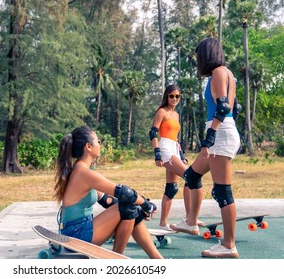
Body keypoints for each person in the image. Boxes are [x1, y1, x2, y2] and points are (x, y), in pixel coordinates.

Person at [170, 37, 241, 258]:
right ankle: (191, 222)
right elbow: (235, 108)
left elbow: (223, 107)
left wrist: (209, 139)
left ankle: (229, 245)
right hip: (223, 131)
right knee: (191, 176)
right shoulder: (228, 74)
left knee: (222, 191)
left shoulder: (219, 72)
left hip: (219, 134)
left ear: (206, 55)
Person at [55, 126, 164, 259]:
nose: (100, 145)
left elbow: (108, 200)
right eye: (98, 141)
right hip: (77, 235)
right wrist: (147, 205)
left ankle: (158, 260)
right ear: (88, 146)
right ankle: (115, 263)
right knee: (128, 207)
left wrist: (140, 210)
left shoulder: (80, 169)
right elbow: (125, 193)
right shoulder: (83, 173)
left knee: (130, 208)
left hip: (76, 231)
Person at [149, 84, 204, 231]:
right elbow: (153, 133)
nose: (174, 99)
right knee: (190, 177)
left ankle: (163, 223)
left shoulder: (176, 115)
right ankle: (189, 218)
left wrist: (181, 154)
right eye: (171, 96)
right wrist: (157, 154)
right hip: (165, 148)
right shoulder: (162, 112)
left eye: (177, 96)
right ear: (167, 96)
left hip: (174, 147)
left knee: (171, 188)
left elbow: (176, 138)